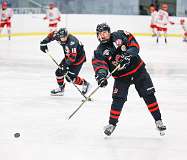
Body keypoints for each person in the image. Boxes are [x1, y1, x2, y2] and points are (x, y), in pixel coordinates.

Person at [92, 23, 166, 136]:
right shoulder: (99, 51)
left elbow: (134, 45)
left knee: (149, 95)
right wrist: (101, 76)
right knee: (118, 99)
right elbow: (100, 65)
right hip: (121, 77)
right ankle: (112, 124)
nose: (102, 35)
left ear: (109, 32)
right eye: (100, 34)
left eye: (105, 33)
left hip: (138, 70)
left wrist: (128, 55)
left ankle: (158, 120)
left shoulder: (120, 35)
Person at [40, 28, 90, 96]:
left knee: (70, 78)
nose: (63, 39)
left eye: (65, 37)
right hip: (68, 56)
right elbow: (51, 35)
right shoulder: (58, 35)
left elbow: (73, 57)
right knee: (59, 72)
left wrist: (65, 66)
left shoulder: (72, 41)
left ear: (67, 35)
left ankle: (85, 83)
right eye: (61, 38)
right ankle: (61, 89)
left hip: (78, 59)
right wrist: (43, 43)